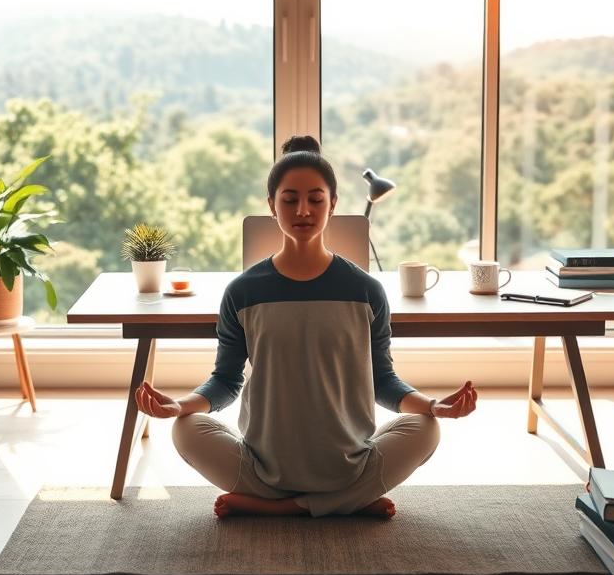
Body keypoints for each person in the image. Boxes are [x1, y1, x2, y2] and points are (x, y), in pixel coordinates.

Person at [134, 135, 478, 518]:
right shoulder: (243, 292)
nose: (302, 210)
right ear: (271, 205)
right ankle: (346, 504)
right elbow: (226, 382)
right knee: (185, 427)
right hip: (263, 467)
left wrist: (434, 406)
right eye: (289, 199)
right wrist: (179, 405)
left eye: (315, 199)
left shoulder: (366, 291)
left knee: (426, 427)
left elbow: (382, 380)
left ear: (333, 205)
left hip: (348, 464)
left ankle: (285, 509)